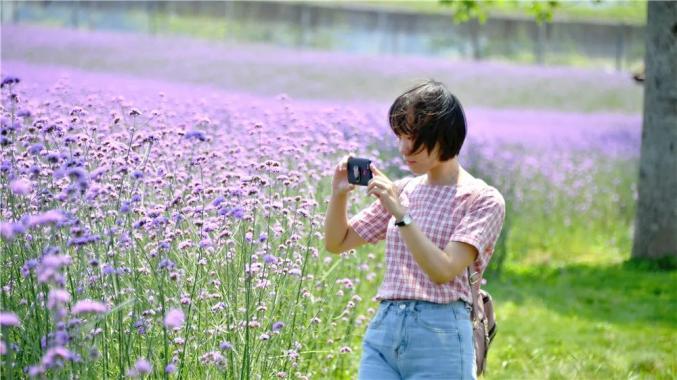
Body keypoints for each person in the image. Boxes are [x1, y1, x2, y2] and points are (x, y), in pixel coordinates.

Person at [323, 79, 506, 379]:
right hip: (385, 331)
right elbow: (337, 241)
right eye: (400, 137)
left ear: (444, 136)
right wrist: (339, 193)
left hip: (441, 337)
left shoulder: (482, 199)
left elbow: (443, 270)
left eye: (414, 138)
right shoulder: (402, 190)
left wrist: (401, 214)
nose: (404, 149)